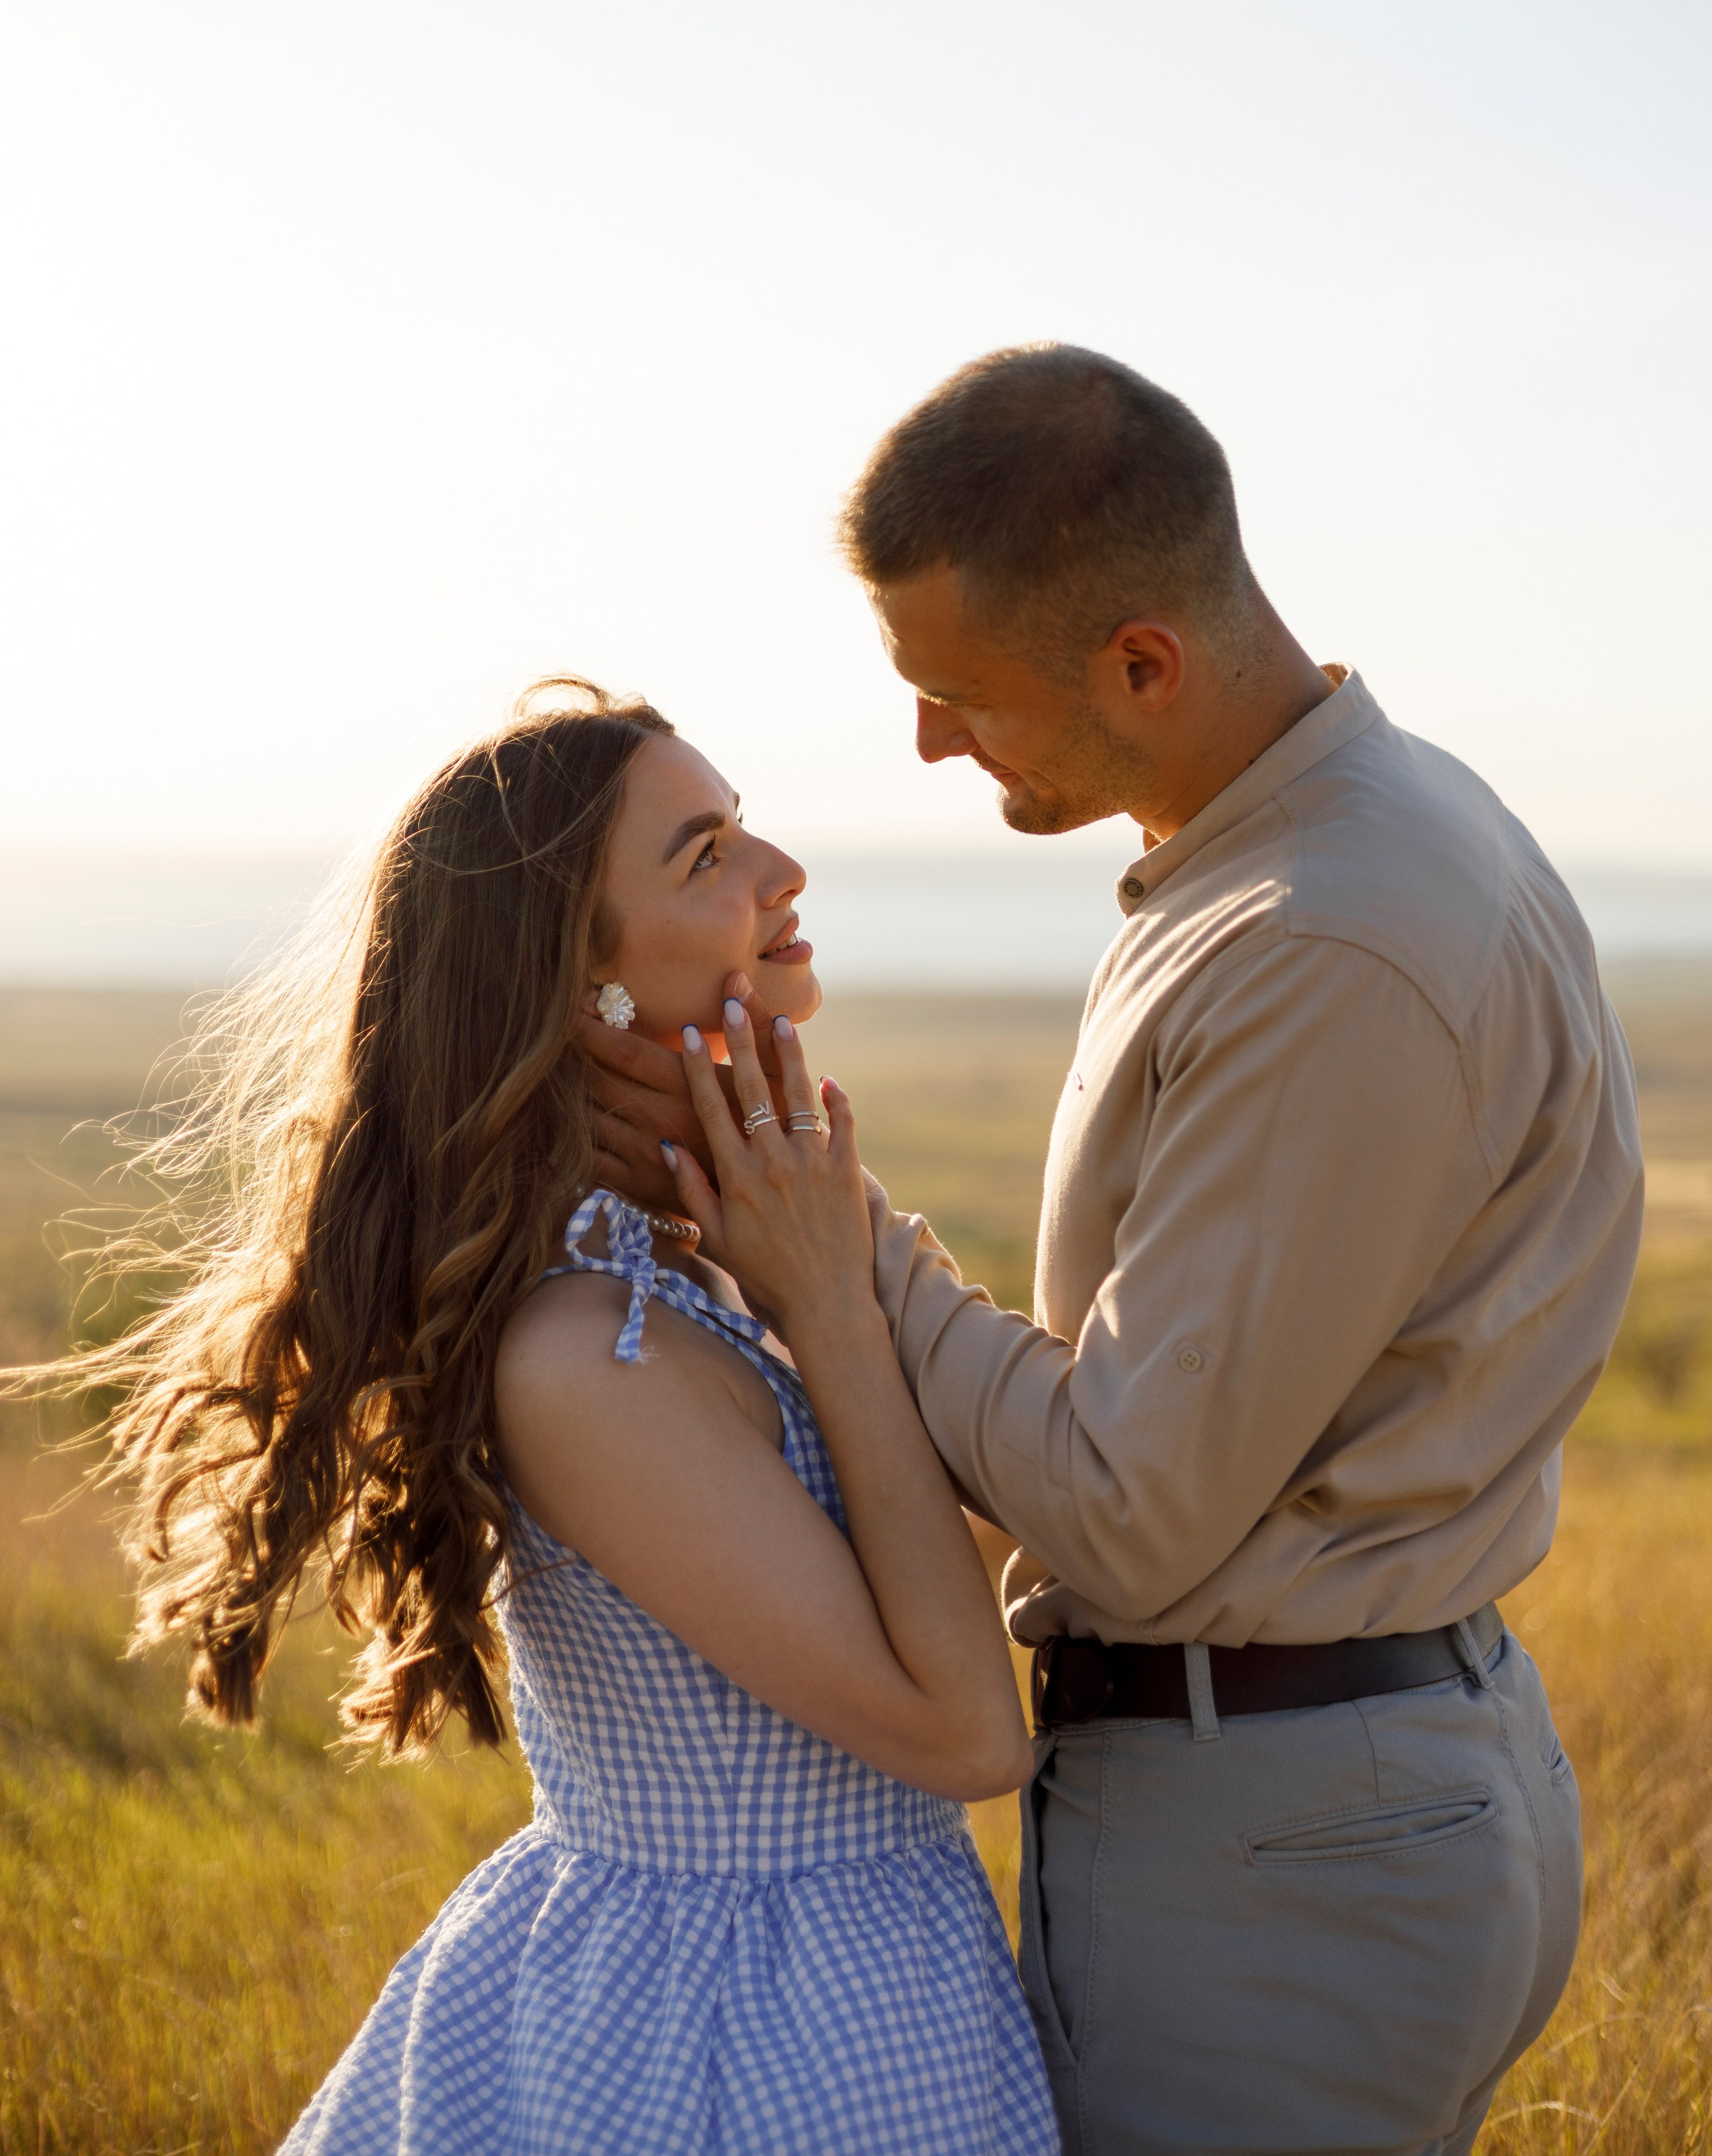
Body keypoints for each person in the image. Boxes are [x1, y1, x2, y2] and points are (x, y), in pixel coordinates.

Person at [587, 345, 1645, 2156]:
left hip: (1277, 1862)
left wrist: (831, 1240)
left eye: (957, 696)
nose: (928, 744)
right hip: (1329, 1800)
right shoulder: (1309, 849)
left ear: (1141, 663)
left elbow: (1134, 1510)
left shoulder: (1319, 942)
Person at [9, 681, 1057, 2156]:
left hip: (878, 1986)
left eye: (744, 828)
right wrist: (831, 1306)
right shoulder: (586, 1357)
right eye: (706, 855)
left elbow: (1007, 1549)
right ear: (580, 985)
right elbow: (966, 1732)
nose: (781, 873)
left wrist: (831, 1253)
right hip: (729, 2032)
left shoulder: (706, 1270)